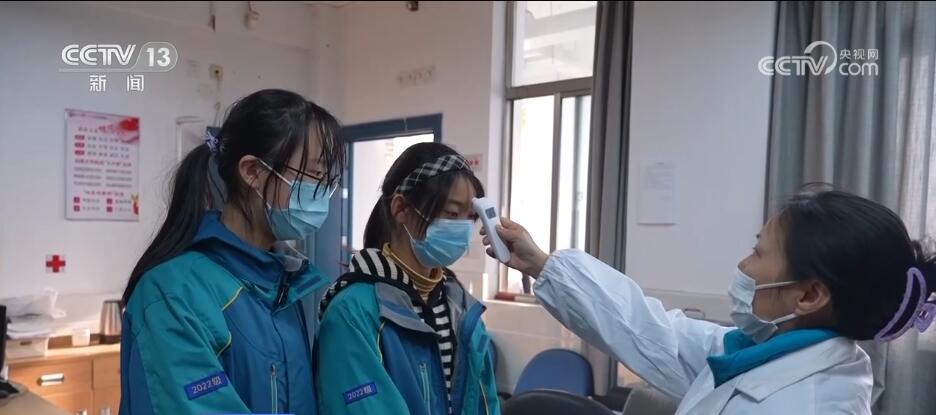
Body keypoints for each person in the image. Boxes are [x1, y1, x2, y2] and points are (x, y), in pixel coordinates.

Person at [483, 189, 936, 414]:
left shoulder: (808, 404)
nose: (744, 264)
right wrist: (542, 263)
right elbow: (654, 331)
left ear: (809, 294)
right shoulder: (761, 355)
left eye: (758, 252)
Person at [120, 89, 345, 415]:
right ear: (252, 171)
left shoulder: (281, 284)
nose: (322, 192)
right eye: (314, 175)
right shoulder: (173, 293)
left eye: (327, 179)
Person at [316, 143, 500, 415]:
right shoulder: (354, 311)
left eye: (470, 217)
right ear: (401, 208)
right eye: (452, 213)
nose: (462, 228)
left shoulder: (462, 309)